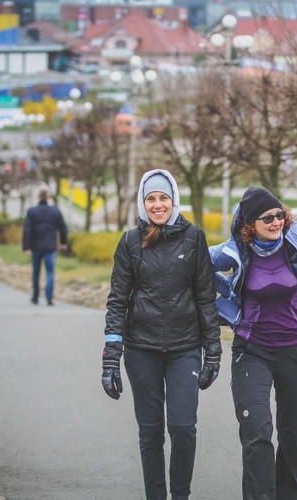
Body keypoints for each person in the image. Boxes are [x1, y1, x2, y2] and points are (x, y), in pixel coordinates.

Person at [209, 186, 297, 499]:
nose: (275, 222)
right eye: (267, 218)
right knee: (256, 432)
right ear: (249, 226)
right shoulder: (235, 250)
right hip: (252, 350)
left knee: (293, 439)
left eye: (279, 215)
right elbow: (199, 264)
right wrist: (227, 292)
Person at [101, 169, 222, 500]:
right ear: (142, 202)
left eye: (163, 198)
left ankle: (180, 496)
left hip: (185, 349)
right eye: (151, 199)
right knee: (151, 433)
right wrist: (110, 359)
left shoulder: (194, 238)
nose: (157, 205)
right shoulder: (130, 242)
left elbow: (205, 298)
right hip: (141, 350)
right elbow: (117, 303)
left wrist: (213, 350)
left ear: (174, 201)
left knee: (183, 429)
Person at [22, 188, 68, 306]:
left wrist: (26, 246)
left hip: (36, 246)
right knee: (50, 272)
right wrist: (63, 242)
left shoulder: (32, 211)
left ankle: (35, 297)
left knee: (36, 272)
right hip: (50, 246)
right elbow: (62, 227)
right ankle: (49, 297)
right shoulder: (55, 211)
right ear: (48, 198)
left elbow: (27, 230)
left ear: (38, 197)